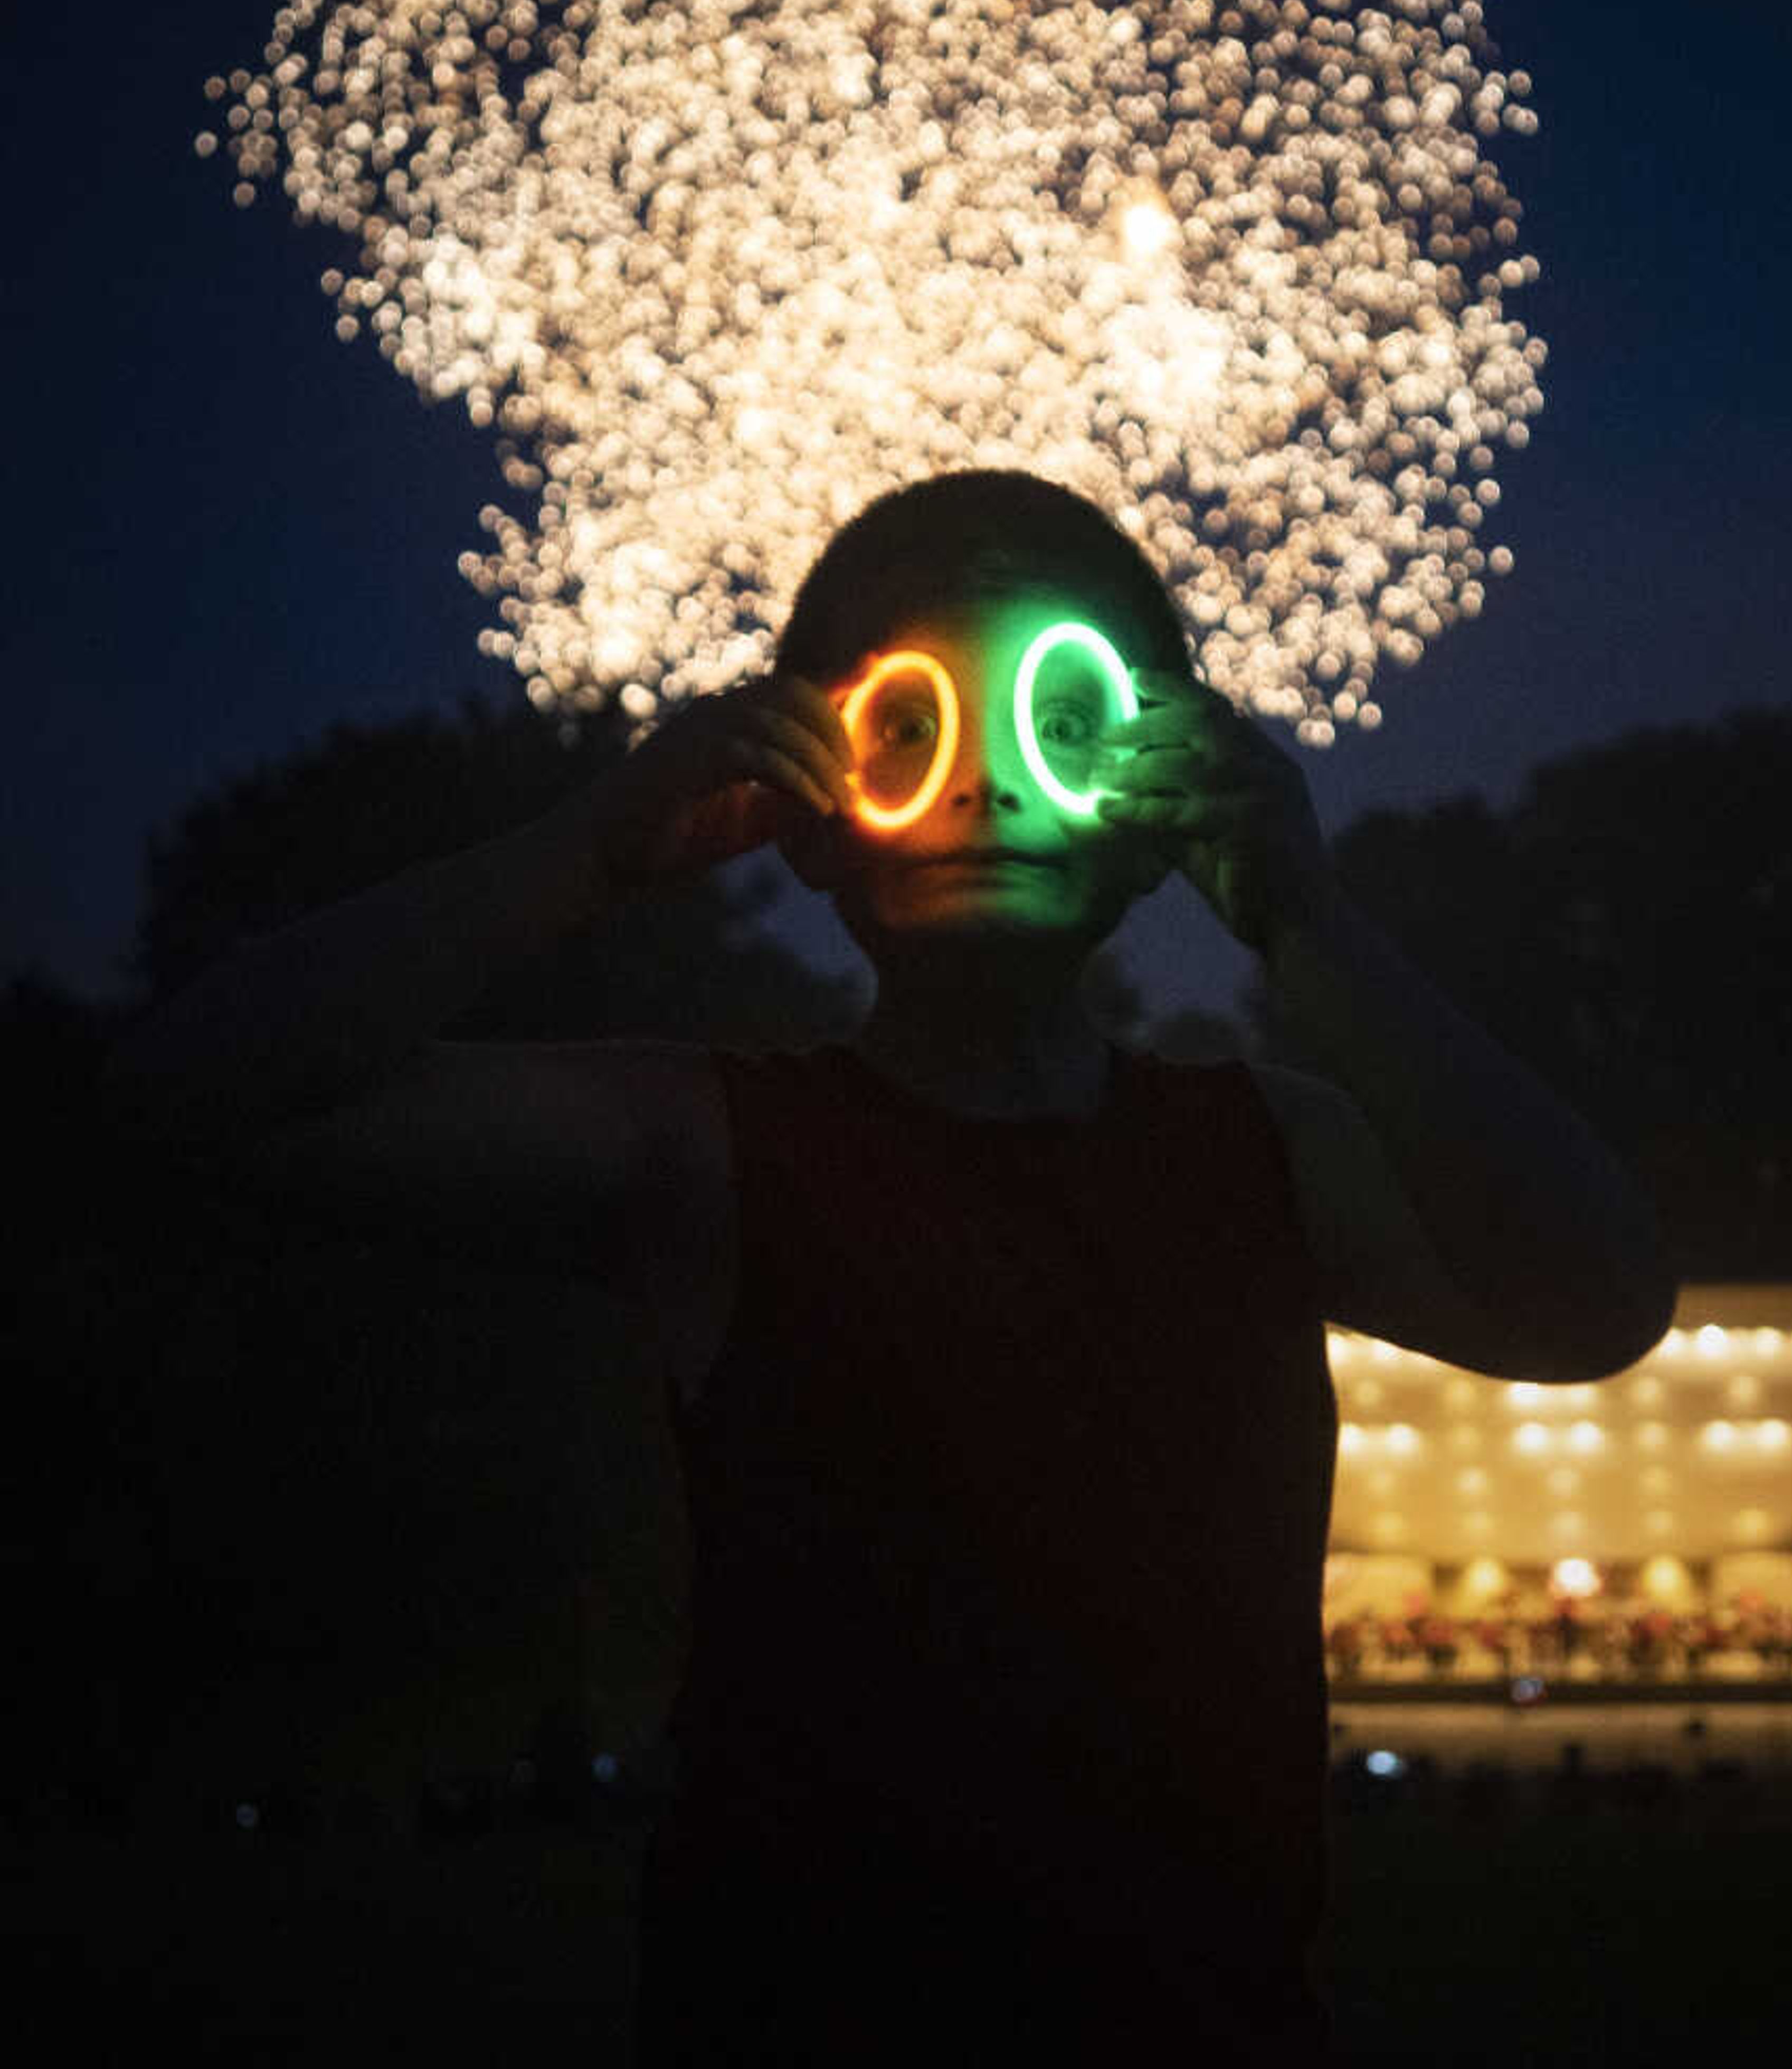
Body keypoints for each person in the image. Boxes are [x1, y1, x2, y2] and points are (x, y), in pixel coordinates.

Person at [100, 468, 1678, 2063]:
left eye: (1061, 724)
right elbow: (178, 1099)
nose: (985, 785)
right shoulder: (711, 1146)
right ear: (803, 822)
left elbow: (1600, 1302)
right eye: (906, 728)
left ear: (1158, 812)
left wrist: (1312, 926)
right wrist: (588, 851)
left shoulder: (1268, 1152)